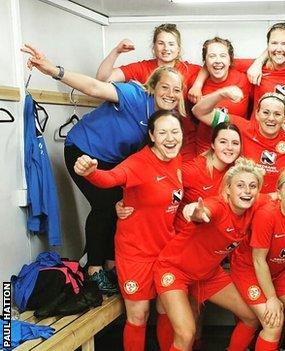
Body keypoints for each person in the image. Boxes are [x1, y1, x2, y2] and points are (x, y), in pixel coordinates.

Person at [21, 44, 186, 294]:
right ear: (153, 86)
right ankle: (94, 270)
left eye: (176, 90)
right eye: (165, 87)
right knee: (105, 206)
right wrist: (54, 70)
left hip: (111, 162)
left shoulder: (165, 119)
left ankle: (110, 265)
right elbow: (95, 87)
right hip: (82, 150)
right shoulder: (134, 94)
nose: (170, 93)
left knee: (121, 208)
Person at [74, 110, 186, 351]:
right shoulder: (138, 163)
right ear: (152, 136)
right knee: (139, 315)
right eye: (163, 132)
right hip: (135, 253)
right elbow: (110, 178)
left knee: (166, 308)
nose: (170, 138)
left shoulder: (177, 159)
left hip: (166, 250)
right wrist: (91, 172)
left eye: (175, 132)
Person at [154, 158, 265, 351]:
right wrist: (195, 212)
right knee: (186, 333)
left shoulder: (253, 205)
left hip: (207, 273)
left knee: (251, 317)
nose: (247, 190)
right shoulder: (218, 206)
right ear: (228, 189)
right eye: (240, 185)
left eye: (252, 186)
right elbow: (205, 210)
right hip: (174, 270)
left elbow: (278, 196)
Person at [230, 168, 285, 351]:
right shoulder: (267, 215)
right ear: (279, 194)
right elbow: (258, 260)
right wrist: (271, 298)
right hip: (249, 270)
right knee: (273, 322)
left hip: (280, 270)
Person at [192, 87, 285, 193]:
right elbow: (199, 111)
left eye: (277, 114)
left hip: (276, 207)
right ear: (257, 114)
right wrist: (222, 94)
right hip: (244, 200)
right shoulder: (241, 127)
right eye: (266, 112)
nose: (271, 118)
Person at [96, 23, 201, 159]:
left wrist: (198, 84)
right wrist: (117, 51)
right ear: (154, 47)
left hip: (185, 141)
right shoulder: (142, 67)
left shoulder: (191, 70)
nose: (166, 48)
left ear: (178, 48)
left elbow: (214, 68)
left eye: (171, 44)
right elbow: (103, 79)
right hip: (152, 140)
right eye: (161, 43)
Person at [187, 37, 253, 153]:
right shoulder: (195, 85)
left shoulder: (244, 79)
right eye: (212, 56)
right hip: (206, 148)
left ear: (230, 60)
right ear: (205, 61)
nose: (218, 60)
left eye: (223, 55)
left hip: (237, 148)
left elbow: (268, 59)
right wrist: (197, 84)